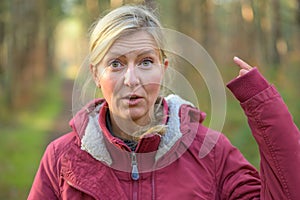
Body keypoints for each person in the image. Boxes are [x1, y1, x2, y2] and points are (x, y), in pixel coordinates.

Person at [28, 4, 300, 200]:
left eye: (146, 62)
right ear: (96, 74)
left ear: (164, 68)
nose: (132, 79)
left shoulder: (212, 153)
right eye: (116, 64)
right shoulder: (61, 159)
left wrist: (264, 106)